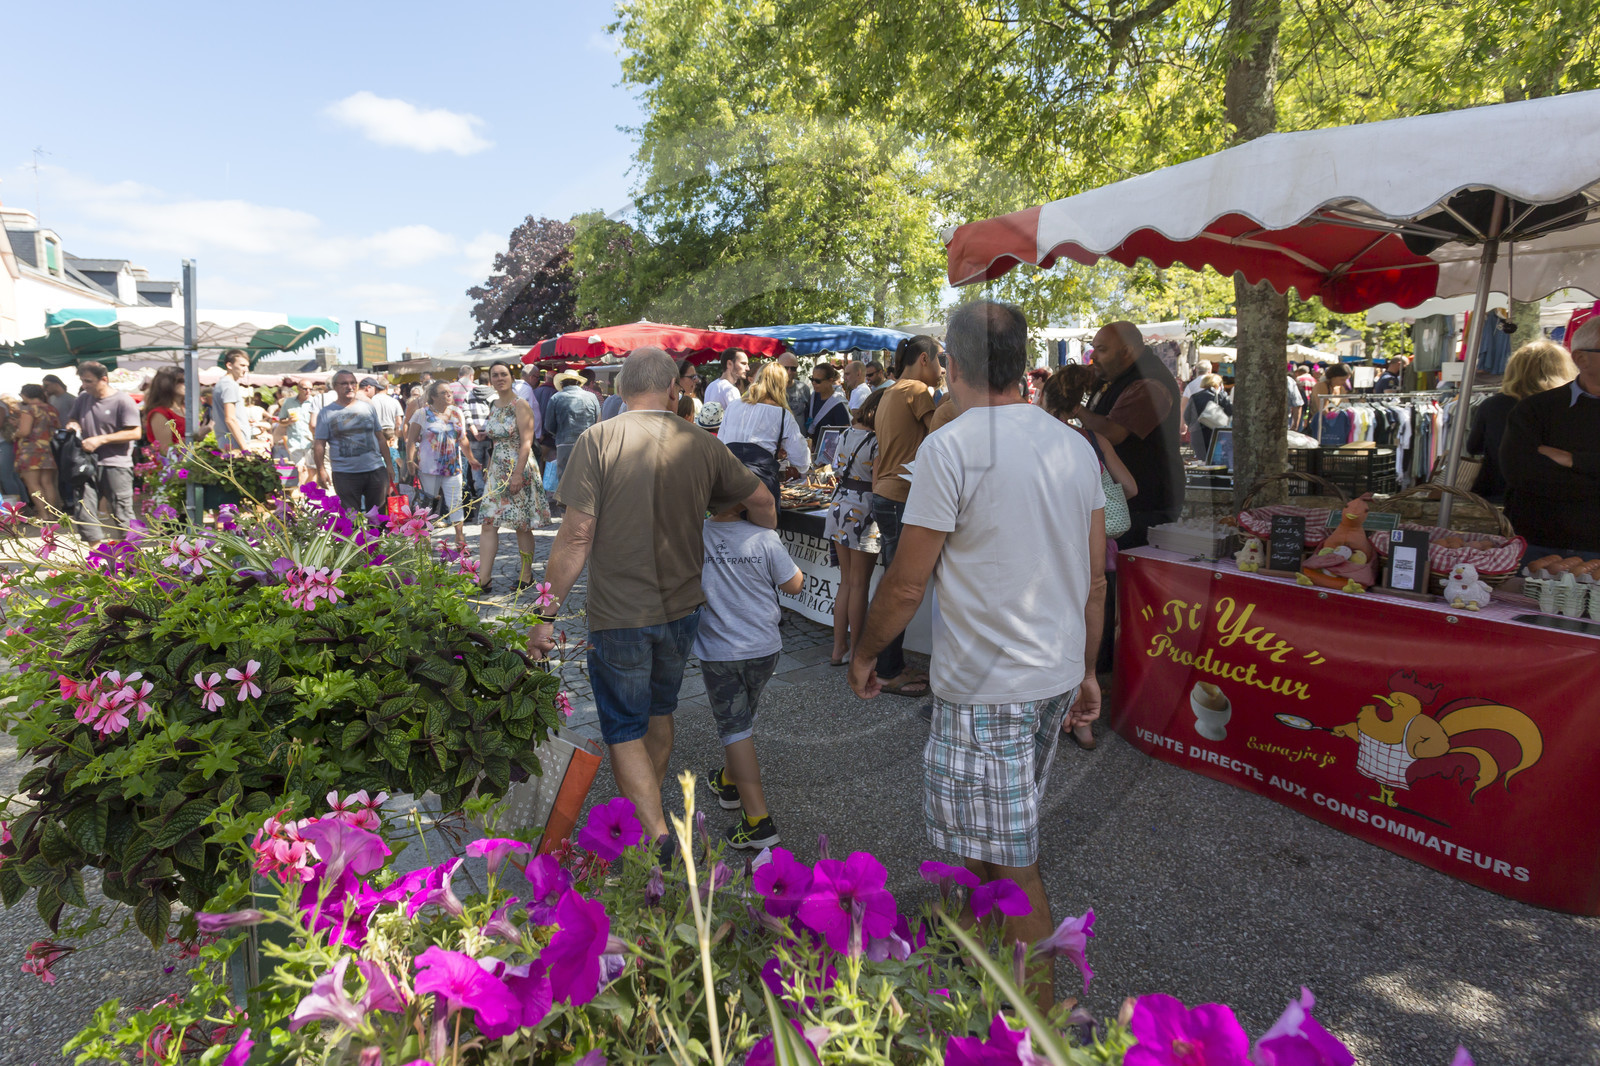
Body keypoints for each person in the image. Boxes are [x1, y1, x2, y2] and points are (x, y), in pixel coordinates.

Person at [849, 300, 1104, 1009]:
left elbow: (905, 581)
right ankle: (979, 975)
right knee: (989, 841)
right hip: (1048, 676)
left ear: (952, 366)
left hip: (993, 689)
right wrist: (1084, 668)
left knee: (1012, 860)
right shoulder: (1072, 445)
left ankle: (1049, 1025)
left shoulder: (952, 448)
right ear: (1022, 366)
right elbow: (1095, 576)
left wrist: (866, 654)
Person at [527, 346, 776, 846]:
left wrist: (544, 614)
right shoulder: (702, 442)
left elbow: (576, 535)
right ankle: (650, 816)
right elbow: (763, 501)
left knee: (623, 724)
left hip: (619, 613)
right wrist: (759, 557)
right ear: (672, 389)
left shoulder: (600, 439)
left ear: (620, 389)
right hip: (682, 610)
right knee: (660, 712)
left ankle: (657, 835)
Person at [696, 488, 805, 850]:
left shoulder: (696, 535)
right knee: (741, 722)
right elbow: (793, 584)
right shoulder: (765, 537)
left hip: (720, 651)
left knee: (735, 728)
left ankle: (759, 822)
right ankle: (729, 781)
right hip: (764, 649)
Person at [1038, 364, 1138, 751]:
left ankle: (1045, 711)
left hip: (1050, 548)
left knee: (1047, 628)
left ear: (1046, 397)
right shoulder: (1093, 440)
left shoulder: (1037, 439)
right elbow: (1128, 487)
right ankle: (1082, 719)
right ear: (1081, 400)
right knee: (1087, 624)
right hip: (1097, 546)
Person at [868, 334, 945, 698]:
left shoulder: (892, 390)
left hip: (886, 494)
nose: (943, 369)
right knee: (899, 587)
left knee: (892, 582)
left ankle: (887, 663)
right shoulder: (916, 389)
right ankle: (887, 670)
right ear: (925, 359)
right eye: (940, 361)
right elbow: (944, 435)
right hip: (900, 496)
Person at [1074, 321, 1182, 546]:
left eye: (1102, 349)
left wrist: (1074, 408)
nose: (1093, 356)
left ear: (1127, 352)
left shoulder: (1149, 382)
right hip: (1123, 501)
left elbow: (1113, 433)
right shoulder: (1118, 375)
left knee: (1125, 570)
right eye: (1094, 348)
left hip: (1146, 506)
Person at [1501, 320, 1600, 559]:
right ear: (1581, 358)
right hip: (1538, 544)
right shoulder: (1534, 409)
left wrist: (1574, 461)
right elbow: (1521, 473)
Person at [1469, 341, 1577, 505]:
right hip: (1561, 497)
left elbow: (1473, 447)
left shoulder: (1492, 405)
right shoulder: (1572, 404)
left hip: (1499, 495)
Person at [823, 390, 883, 666]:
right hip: (864, 509)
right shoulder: (877, 439)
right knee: (859, 583)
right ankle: (858, 651)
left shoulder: (846, 433)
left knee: (846, 582)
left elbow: (835, 468)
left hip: (838, 505)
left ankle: (838, 649)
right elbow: (880, 479)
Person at [478, 361, 549, 590]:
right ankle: (483, 579)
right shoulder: (494, 405)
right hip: (497, 470)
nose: (500, 378)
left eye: (504, 374)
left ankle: (526, 576)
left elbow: (527, 442)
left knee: (522, 524)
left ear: (511, 377)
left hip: (519, 467)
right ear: (491, 380)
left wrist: (518, 474)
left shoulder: (521, 404)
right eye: (495, 375)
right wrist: (489, 471)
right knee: (488, 523)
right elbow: (494, 442)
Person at [63, 361, 142, 546]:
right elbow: (73, 418)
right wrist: (73, 425)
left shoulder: (123, 400)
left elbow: (135, 432)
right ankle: (97, 558)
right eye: (83, 380)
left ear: (104, 379)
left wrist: (100, 439)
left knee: (122, 510)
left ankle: (134, 559)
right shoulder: (83, 398)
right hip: (85, 462)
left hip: (116, 463)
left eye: (88, 381)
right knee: (85, 509)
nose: (85, 385)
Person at [312, 370, 395, 514]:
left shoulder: (368, 407)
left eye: (352, 383)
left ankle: (377, 538)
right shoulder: (327, 412)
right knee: (350, 519)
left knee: (377, 517)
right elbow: (319, 444)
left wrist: (388, 465)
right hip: (345, 474)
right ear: (335, 387)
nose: (349, 387)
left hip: (374, 470)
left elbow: (380, 438)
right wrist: (320, 470)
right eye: (344, 383)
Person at [407, 380, 471, 551]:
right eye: (444, 392)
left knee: (456, 502)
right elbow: (411, 439)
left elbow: (462, 439)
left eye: (450, 391)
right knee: (427, 503)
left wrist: (471, 459)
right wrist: (409, 460)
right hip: (429, 468)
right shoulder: (422, 413)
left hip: (452, 467)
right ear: (433, 396)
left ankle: (460, 539)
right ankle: (424, 540)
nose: (449, 394)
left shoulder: (457, 412)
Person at [719, 363, 811, 481]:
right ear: (781, 386)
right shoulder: (782, 415)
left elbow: (721, 444)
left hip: (729, 478)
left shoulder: (733, 406)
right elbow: (801, 460)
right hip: (759, 482)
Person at [546, 369, 602, 489]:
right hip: (588, 443)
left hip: (564, 443)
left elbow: (549, 425)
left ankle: (565, 507)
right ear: (578, 383)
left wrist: (559, 433)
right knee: (586, 480)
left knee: (565, 481)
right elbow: (598, 421)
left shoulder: (556, 398)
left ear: (562, 383)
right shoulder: (592, 397)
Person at [13, 384, 63, 517]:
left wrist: (15, 433)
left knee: (33, 484)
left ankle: (43, 514)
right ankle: (52, 514)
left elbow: (24, 431)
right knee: (48, 483)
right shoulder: (51, 409)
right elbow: (57, 426)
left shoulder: (29, 410)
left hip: (30, 451)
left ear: (25, 395)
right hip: (47, 449)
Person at [360, 376, 406, 480]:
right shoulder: (394, 401)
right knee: (392, 457)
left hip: (374, 435)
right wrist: (398, 436)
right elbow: (398, 422)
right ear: (387, 386)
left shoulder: (370, 401)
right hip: (390, 434)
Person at [461, 374, 495, 510]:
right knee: (490, 467)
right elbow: (494, 414)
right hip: (490, 436)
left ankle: (480, 494)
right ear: (489, 382)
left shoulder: (469, 394)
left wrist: (474, 431)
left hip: (473, 436)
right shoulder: (494, 395)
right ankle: (488, 495)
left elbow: (466, 413)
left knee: (476, 467)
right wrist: (486, 431)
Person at [274, 379, 318, 483]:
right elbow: (281, 420)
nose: (308, 391)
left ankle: (308, 492)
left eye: (310, 389)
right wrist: (288, 421)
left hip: (311, 441)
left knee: (312, 471)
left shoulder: (315, 402)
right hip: (295, 441)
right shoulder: (288, 402)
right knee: (300, 469)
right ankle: (302, 496)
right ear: (298, 388)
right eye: (305, 388)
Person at [803, 362, 851, 453]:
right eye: (812, 379)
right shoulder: (813, 397)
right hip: (814, 450)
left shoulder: (838, 404)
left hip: (830, 453)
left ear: (830, 380)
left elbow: (845, 433)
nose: (813, 383)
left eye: (818, 381)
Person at [212, 349, 252, 453]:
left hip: (228, 442)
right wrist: (245, 448)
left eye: (247, 366)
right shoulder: (229, 384)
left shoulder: (223, 383)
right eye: (242, 365)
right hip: (235, 445)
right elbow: (230, 419)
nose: (246, 369)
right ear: (229, 365)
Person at [1186, 373, 1233, 462]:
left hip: (1197, 433)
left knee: (1202, 460)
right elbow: (1230, 412)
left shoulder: (1194, 396)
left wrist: (1192, 426)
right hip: (1216, 433)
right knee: (1216, 460)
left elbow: (1187, 416)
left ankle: (1203, 475)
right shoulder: (1222, 396)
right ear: (1217, 384)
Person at [141, 366, 186, 451]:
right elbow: (166, 451)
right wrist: (195, 438)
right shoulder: (159, 413)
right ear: (167, 384)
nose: (187, 384)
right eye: (181, 381)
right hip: (175, 463)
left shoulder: (185, 408)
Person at [779, 352, 810, 417]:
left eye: (793, 368)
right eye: (785, 368)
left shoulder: (804, 388)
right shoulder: (771, 389)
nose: (789, 372)